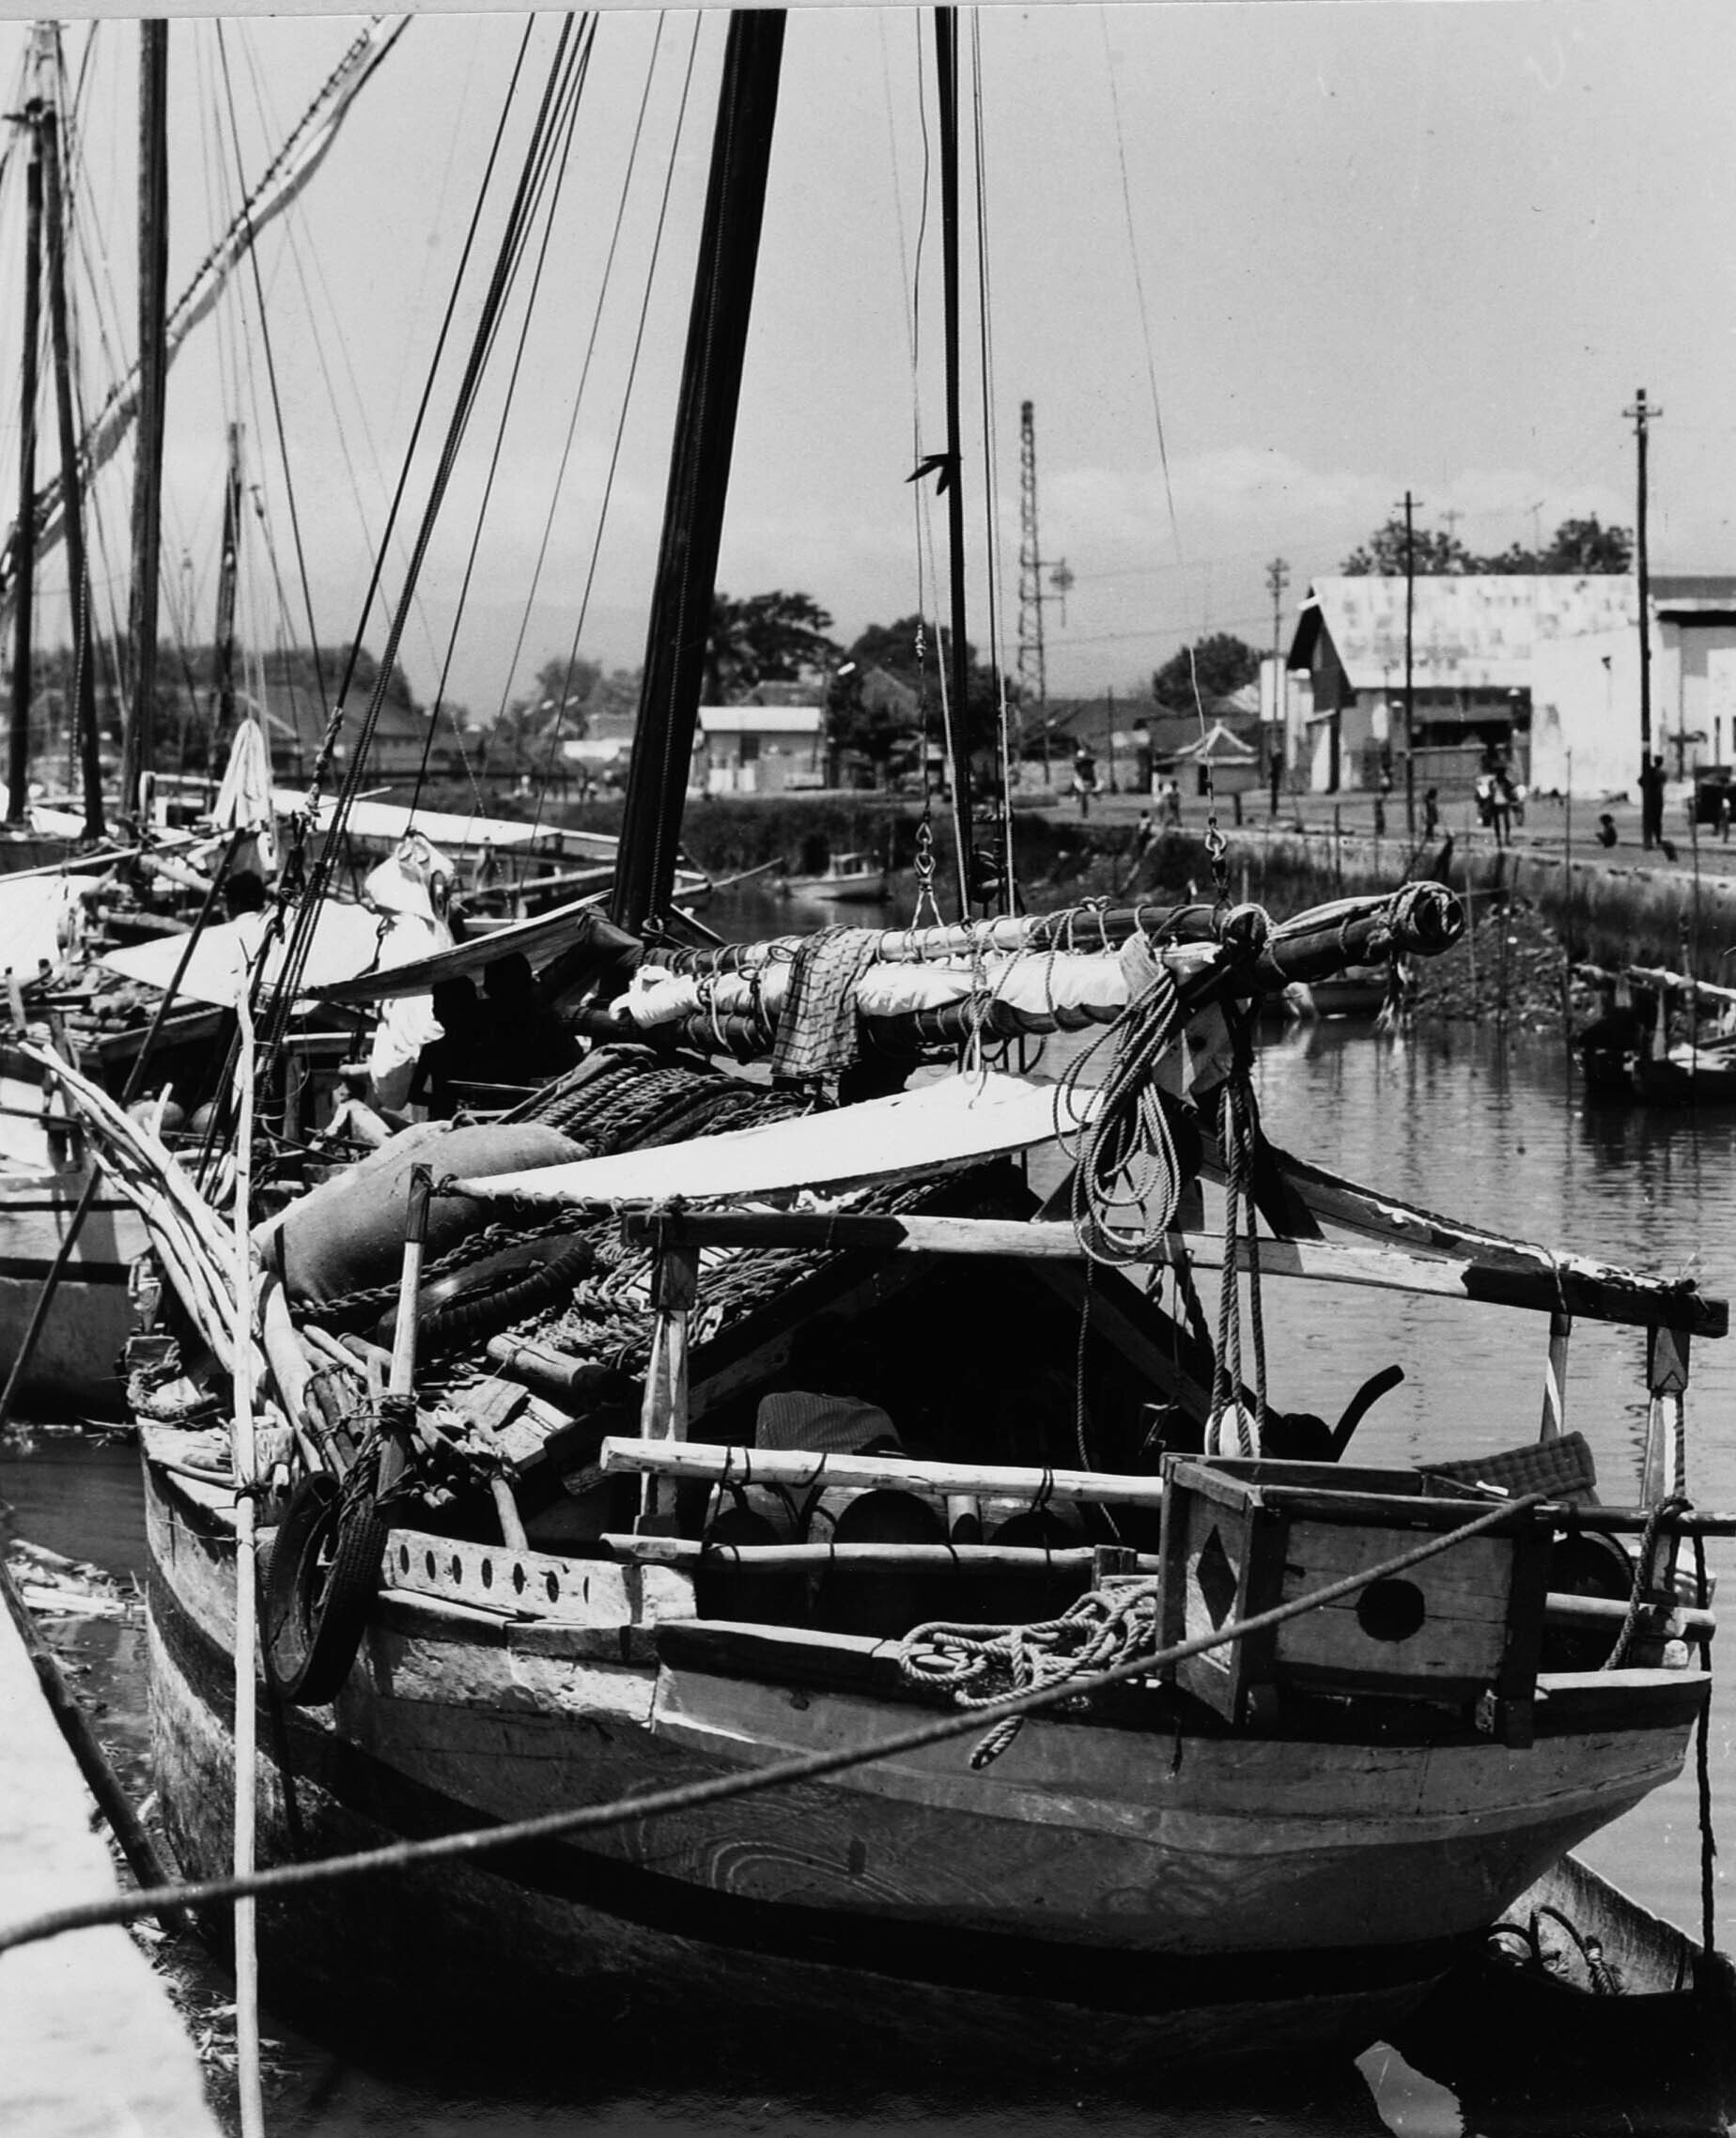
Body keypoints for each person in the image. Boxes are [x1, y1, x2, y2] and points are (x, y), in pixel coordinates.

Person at [1639, 752, 1666, 851]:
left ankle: (1649, 839)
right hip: (1658, 798)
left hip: (1649, 798)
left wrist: (1646, 789)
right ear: (1662, 762)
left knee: (1649, 819)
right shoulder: (1662, 773)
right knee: (1657, 820)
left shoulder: (1649, 772)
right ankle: (1657, 839)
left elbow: (1640, 781)